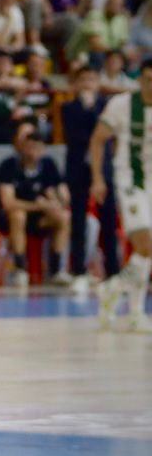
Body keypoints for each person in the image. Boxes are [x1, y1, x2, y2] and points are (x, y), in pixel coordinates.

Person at [91, 61, 152, 333]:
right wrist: (97, 178)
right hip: (130, 182)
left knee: (145, 253)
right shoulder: (122, 105)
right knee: (145, 245)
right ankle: (121, 296)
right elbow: (98, 139)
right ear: (140, 80)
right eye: (148, 79)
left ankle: (127, 304)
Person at [0, 120, 72, 288]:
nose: (33, 151)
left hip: (38, 218)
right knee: (18, 215)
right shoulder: (9, 165)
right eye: (30, 145)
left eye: (37, 147)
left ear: (44, 148)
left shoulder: (49, 165)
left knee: (63, 217)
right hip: (7, 218)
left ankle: (57, 270)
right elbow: (8, 203)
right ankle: (20, 269)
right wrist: (38, 205)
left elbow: (64, 196)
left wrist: (55, 200)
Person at [62, 66, 121, 290]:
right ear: (76, 84)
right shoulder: (68, 108)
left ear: (98, 84)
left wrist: (93, 110)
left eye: (92, 79)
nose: (88, 84)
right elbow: (76, 136)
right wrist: (86, 109)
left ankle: (113, 271)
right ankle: (79, 271)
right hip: (78, 169)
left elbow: (105, 135)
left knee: (108, 219)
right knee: (78, 220)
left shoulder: (106, 107)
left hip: (103, 170)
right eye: (84, 79)